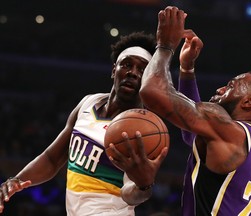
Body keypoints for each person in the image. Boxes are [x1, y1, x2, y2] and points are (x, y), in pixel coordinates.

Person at [0, 31, 169, 216]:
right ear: (114, 70)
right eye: (127, 64)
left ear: (147, 80)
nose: (133, 73)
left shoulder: (143, 129)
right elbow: (52, 159)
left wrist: (143, 186)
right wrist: (16, 180)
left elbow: (130, 194)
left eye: (142, 69)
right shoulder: (88, 103)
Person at [139, 6, 251, 215]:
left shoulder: (230, 131)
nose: (220, 88)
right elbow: (192, 134)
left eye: (231, 85)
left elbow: (151, 91)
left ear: (250, 101)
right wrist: (186, 69)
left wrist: (165, 46)